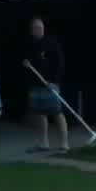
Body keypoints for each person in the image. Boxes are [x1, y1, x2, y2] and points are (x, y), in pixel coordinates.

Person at [23, 17, 68, 152]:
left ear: (44, 29)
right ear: (31, 31)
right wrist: (26, 64)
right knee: (40, 114)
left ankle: (64, 143)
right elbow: (27, 61)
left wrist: (55, 82)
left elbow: (60, 64)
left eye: (40, 28)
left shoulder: (51, 43)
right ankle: (44, 143)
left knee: (57, 113)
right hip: (35, 86)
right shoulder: (29, 45)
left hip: (51, 86)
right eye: (35, 28)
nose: (38, 30)